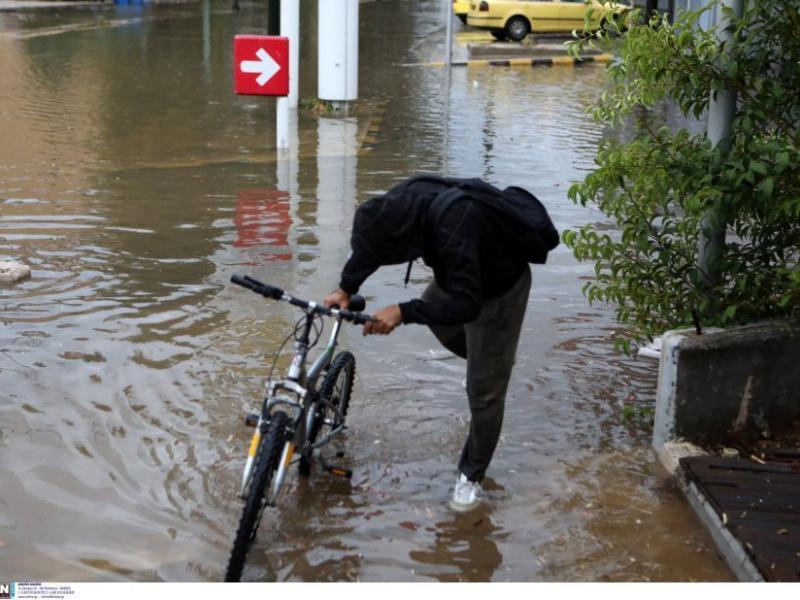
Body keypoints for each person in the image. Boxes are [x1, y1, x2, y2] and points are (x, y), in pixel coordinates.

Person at [324, 175, 559, 511]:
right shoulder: (397, 206)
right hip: (459, 272)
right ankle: (493, 358)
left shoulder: (452, 226)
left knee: (484, 391)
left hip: (497, 288)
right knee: (444, 323)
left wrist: (403, 312)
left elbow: (467, 304)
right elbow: (369, 250)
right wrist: (346, 287)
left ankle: (471, 476)